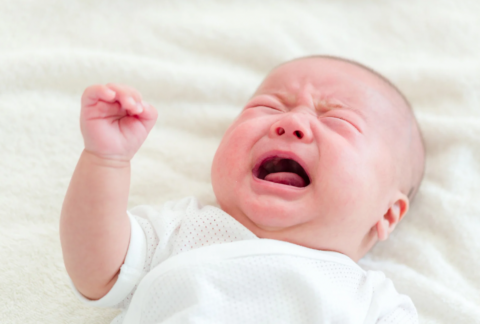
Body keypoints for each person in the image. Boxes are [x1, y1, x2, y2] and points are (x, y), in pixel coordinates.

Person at [60, 56, 425, 323]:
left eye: (337, 119)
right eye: (267, 106)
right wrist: (106, 160)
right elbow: (97, 272)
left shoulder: (371, 302)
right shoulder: (181, 230)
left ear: (387, 214)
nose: (292, 121)